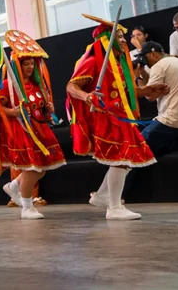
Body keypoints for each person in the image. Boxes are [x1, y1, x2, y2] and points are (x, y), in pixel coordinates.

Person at [66, 15, 163, 220]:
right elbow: (71, 86)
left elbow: (127, 93)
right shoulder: (93, 62)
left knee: (128, 159)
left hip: (122, 117)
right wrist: (87, 96)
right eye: (118, 37)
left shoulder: (120, 66)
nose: (123, 40)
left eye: (122, 36)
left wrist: (149, 89)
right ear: (105, 40)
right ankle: (114, 207)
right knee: (122, 158)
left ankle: (102, 196)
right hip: (106, 118)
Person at [0, 30, 65, 220]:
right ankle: (27, 207)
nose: (29, 67)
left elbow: (40, 111)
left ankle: (14, 186)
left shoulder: (37, 85)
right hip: (22, 131)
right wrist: (12, 112)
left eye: (32, 63)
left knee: (40, 170)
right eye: (26, 64)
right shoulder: (8, 85)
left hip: (40, 130)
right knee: (32, 170)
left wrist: (48, 109)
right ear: (18, 65)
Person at [135, 42, 178, 156]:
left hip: (172, 121)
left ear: (153, 54)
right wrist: (143, 72)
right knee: (161, 150)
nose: (144, 62)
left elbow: (149, 96)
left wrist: (138, 77)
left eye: (144, 57)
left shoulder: (158, 66)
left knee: (137, 147)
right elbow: (153, 86)